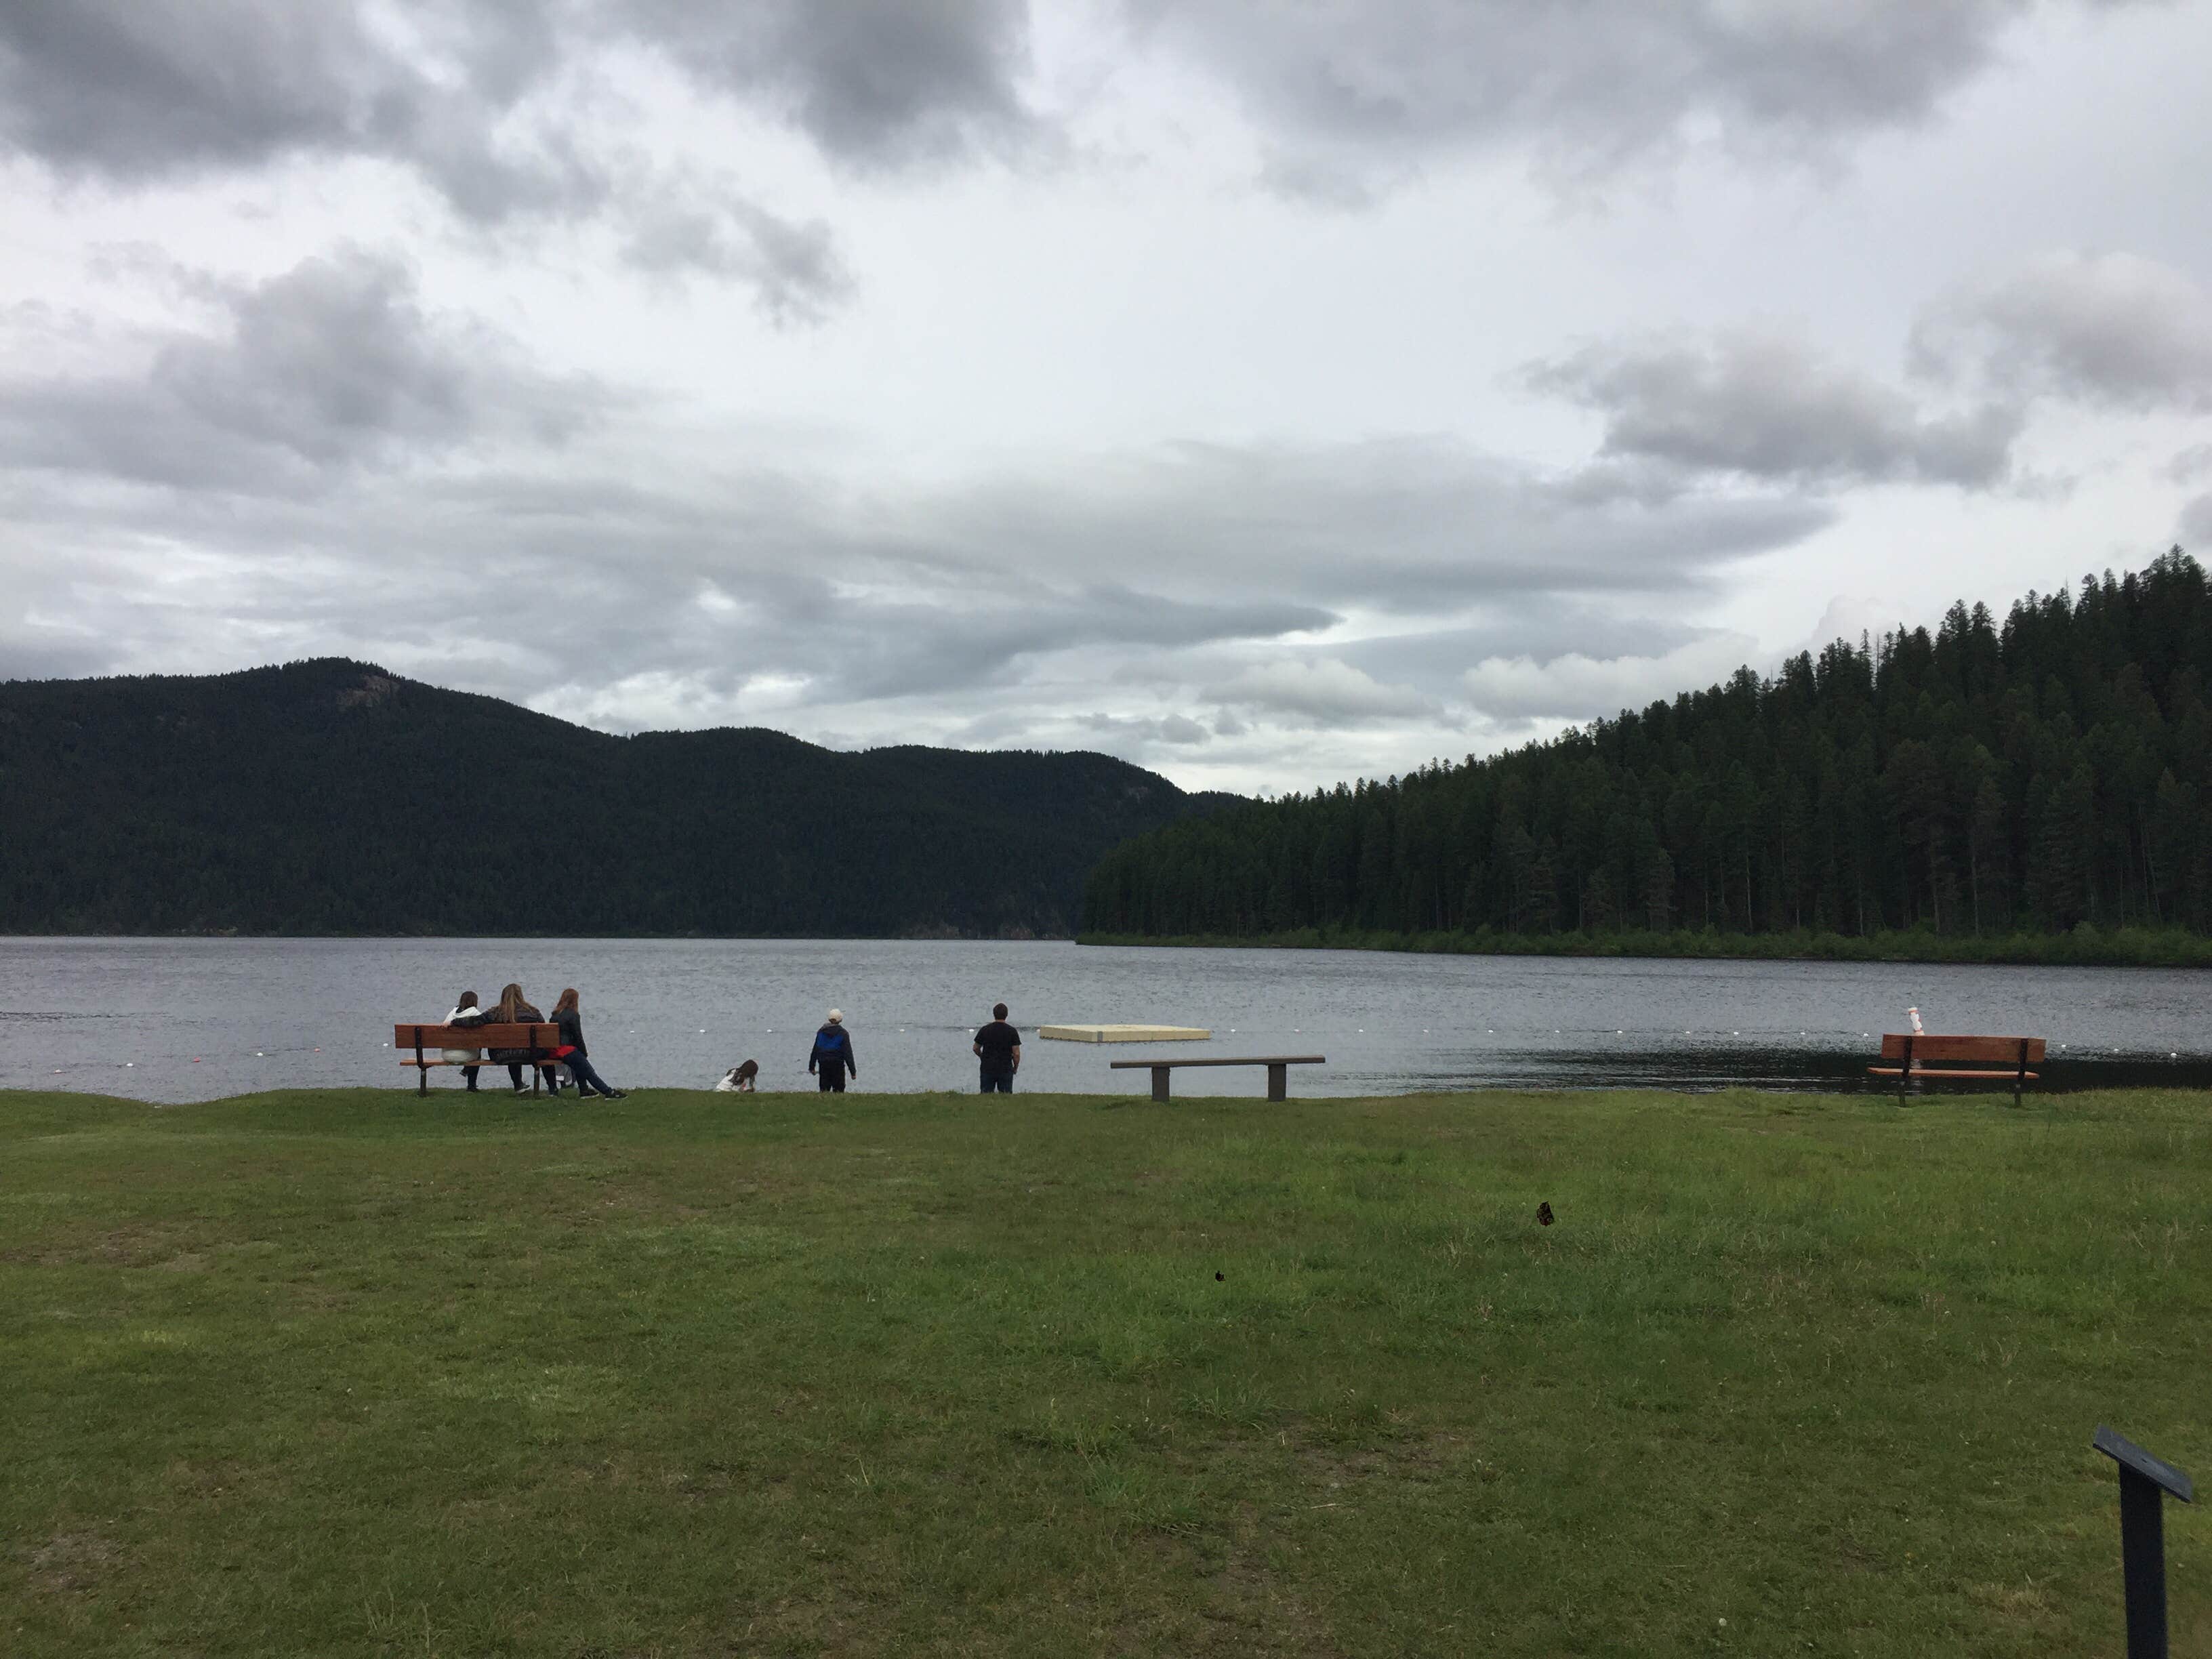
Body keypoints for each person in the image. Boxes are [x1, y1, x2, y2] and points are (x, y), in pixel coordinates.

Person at [548, 988, 626, 1099]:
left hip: (554, 1050)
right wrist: (584, 1052)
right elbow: (578, 1036)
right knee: (588, 1070)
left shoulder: (554, 1015)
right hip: (566, 1050)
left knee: (579, 1063)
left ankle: (584, 1090)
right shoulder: (573, 1015)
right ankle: (609, 1092)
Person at [485, 983, 552, 1094]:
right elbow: (543, 1033)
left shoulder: (494, 1013)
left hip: (501, 1056)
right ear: (521, 996)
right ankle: (552, 1089)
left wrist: (454, 1022)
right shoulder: (533, 1012)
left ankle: (518, 1086)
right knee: (542, 1052)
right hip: (531, 1055)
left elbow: (476, 1020)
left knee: (512, 1050)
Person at [443, 989, 487, 1092]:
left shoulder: (452, 1012)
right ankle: (471, 1086)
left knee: (475, 1046)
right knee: (478, 1050)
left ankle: (466, 1070)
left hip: (447, 1055)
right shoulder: (476, 1014)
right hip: (466, 1056)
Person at [972, 1002, 1021, 1093]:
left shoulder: (985, 1029)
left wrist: (982, 1057)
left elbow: (976, 1048)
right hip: (1005, 1068)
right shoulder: (1012, 1031)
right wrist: (1016, 1067)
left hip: (987, 1067)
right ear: (1006, 1015)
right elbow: (1016, 1053)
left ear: (994, 1014)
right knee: (1006, 1096)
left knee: (986, 1094)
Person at [808, 1009, 857, 1092]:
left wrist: (812, 1067)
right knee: (839, 1090)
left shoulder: (821, 1032)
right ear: (840, 1019)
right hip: (838, 1065)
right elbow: (848, 1054)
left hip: (823, 1064)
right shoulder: (843, 1033)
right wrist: (853, 1072)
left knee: (824, 1089)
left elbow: (815, 1050)